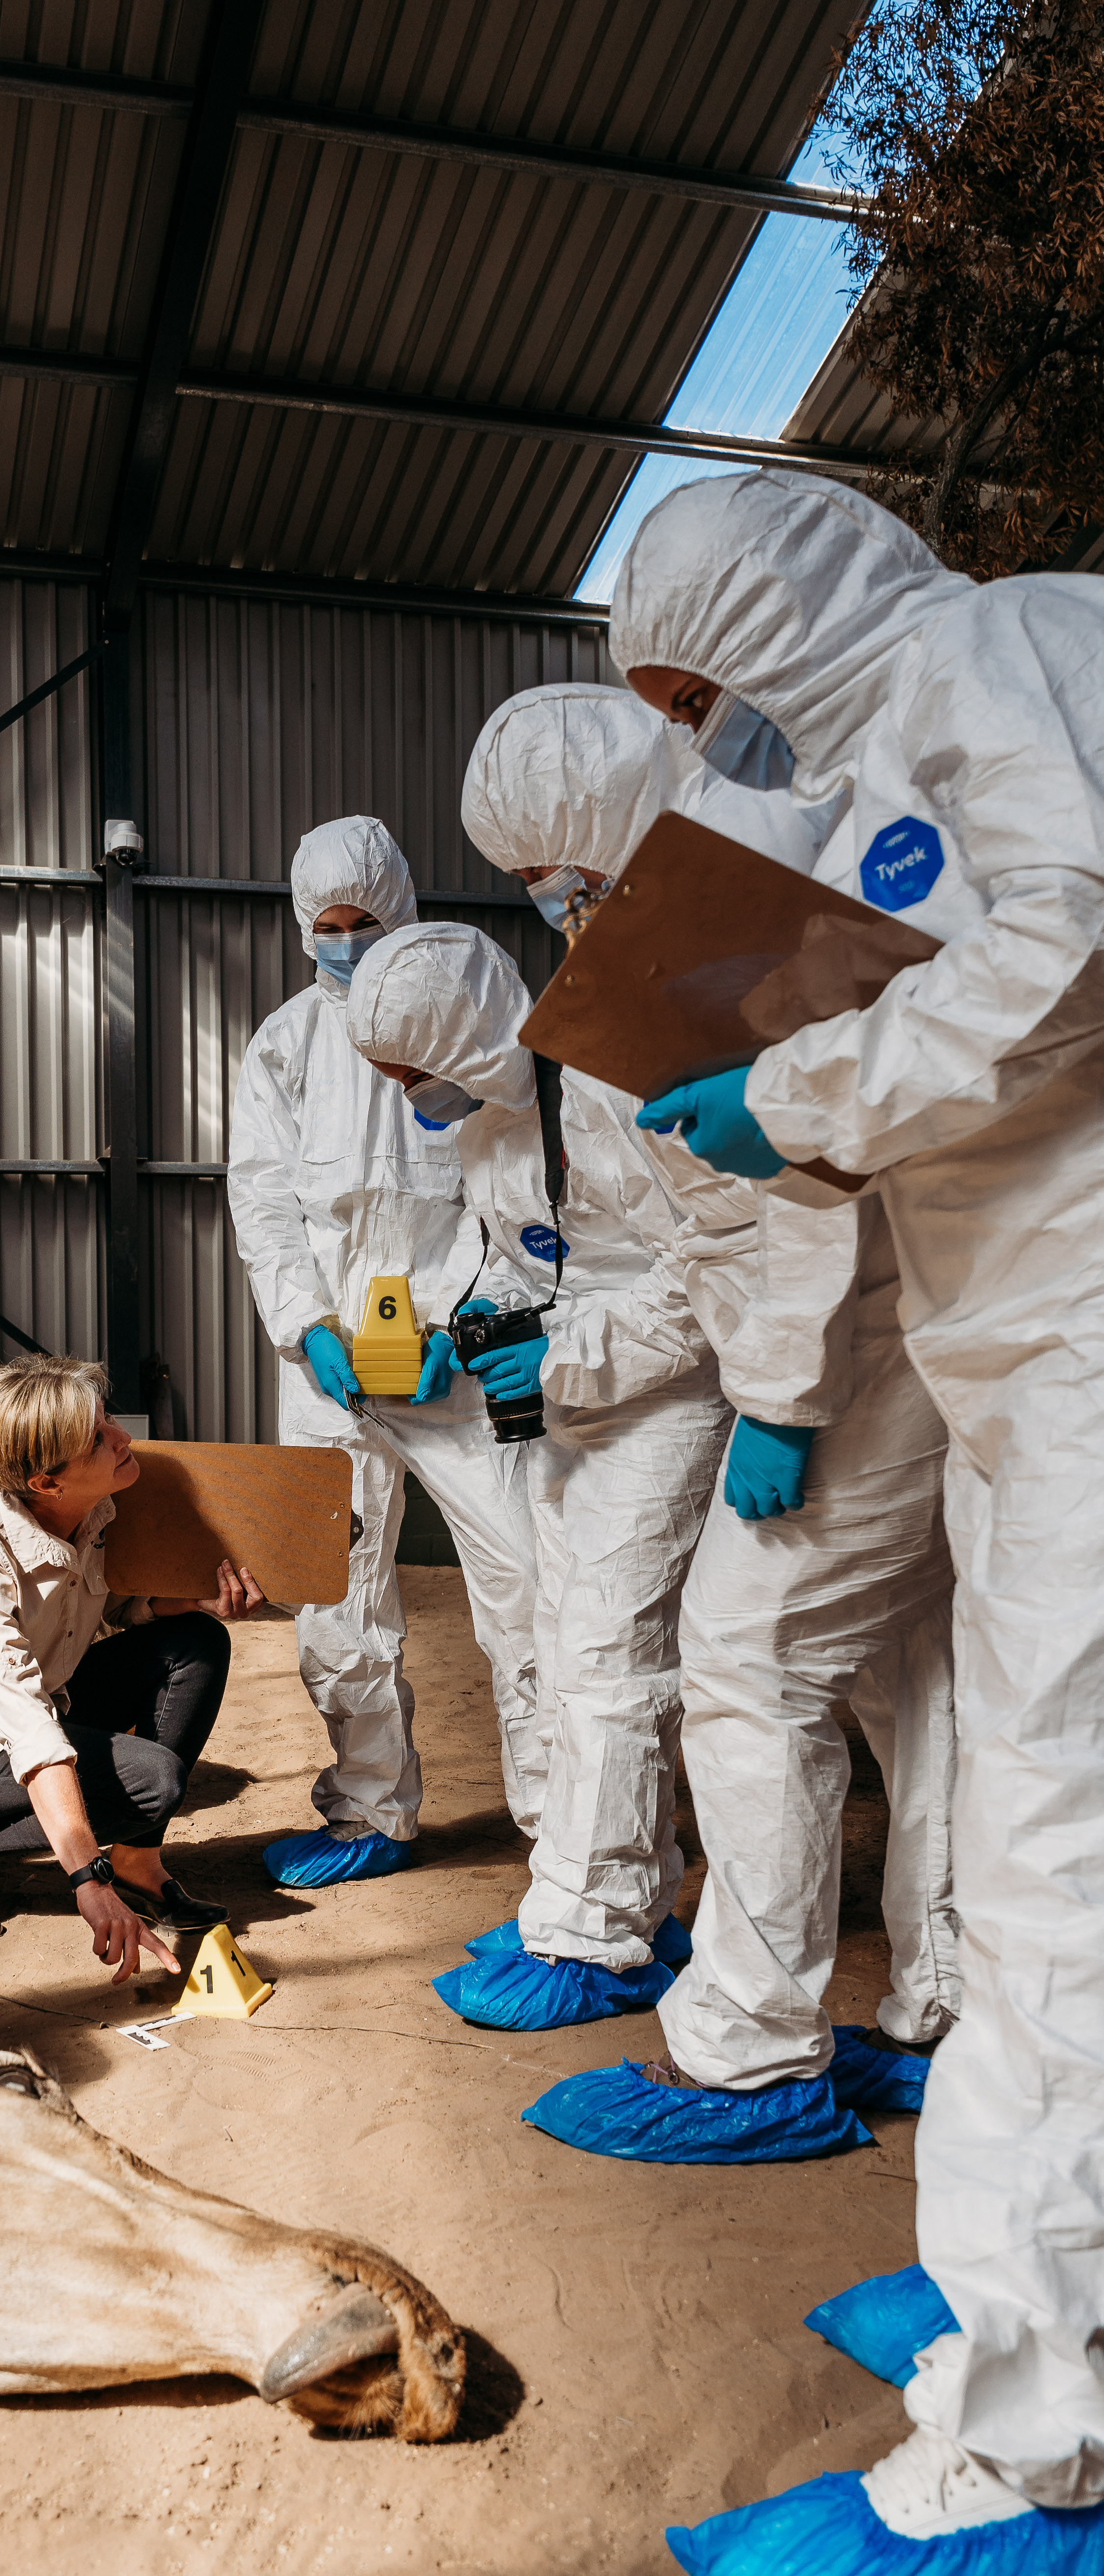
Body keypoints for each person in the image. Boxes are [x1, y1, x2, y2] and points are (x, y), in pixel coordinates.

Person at [608, 466, 1104, 2576]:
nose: (710, 728)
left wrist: (791, 1088)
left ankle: (1030, 2440)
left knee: (1053, 1848)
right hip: (1017, 1353)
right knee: (1014, 1829)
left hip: (1085, 1338)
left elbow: (1059, 932)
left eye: (704, 679)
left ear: (774, 602)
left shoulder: (994, 651)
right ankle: (1033, 2286)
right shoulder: (892, 739)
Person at [447, 688, 960, 2162]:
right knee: (918, 1689)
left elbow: (786, 1220)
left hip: (872, 1359)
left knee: (746, 1665)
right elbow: (723, 1239)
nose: (557, 903)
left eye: (570, 869)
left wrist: (780, 1403)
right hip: (901, 1348)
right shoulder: (735, 910)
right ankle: (940, 2003)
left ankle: (752, 2051)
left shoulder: (710, 932)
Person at [342, 856, 747, 2028]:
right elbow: (511, 1249)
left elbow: (701, 1272)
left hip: (664, 1396)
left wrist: (560, 1354)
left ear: (463, 1039)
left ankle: (600, 1938)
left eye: (413, 1069)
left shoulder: (610, 1088)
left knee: (614, 1657)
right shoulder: (488, 1114)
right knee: (561, 1648)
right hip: (575, 1405)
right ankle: (597, 1888)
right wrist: (461, 1318)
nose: (408, 1094)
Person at [227, 815, 545, 1888]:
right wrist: (306, 1326)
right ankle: (367, 1809)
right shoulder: (281, 1046)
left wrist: (474, 1322)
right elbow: (264, 1203)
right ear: (300, 924)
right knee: (336, 1599)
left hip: (456, 1366)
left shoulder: (469, 1024)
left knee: (528, 1588)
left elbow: (523, 1205)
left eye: (368, 920)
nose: (349, 940)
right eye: (329, 924)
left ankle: (562, 1829)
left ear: (405, 910)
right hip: (327, 1373)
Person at [0, 1355, 262, 1982]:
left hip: (48, 1696)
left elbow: (114, 1602)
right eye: (100, 1439)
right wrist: (85, 1878)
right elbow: (27, 1728)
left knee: (195, 1642)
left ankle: (138, 1858)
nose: (124, 1437)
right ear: (47, 1482)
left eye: (106, 1420)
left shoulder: (94, 1504)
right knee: (152, 1782)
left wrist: (195, 1599)